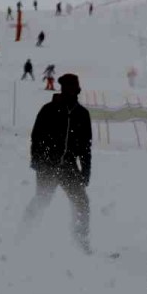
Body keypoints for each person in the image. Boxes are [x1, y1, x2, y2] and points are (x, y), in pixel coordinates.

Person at [21, 73, 92, 254]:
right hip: (47, 165)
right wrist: (37, 161)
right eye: (67, 88)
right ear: (62, 89)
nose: (70, 92)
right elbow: (36, 137)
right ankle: (24, 234)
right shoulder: (48, 110)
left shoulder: (82, 115)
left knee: (81, 202)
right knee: (42, 199)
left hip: (69, 166)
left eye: (73, 88)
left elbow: (85, 147)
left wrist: (85, 172)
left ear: (77, 90)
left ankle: (80, 241)